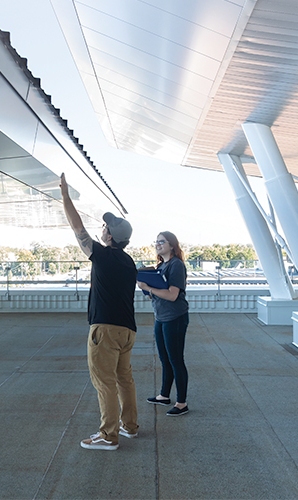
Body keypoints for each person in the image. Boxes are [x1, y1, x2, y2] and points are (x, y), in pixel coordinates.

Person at [60, 173, 139, 451]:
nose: (102, 227)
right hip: (127, 330)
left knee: (104, 382)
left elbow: (77, 228)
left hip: (104, 330)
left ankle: (108, 436)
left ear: (109, 235)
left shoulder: (102, 255)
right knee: (123, 379)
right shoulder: (129, 263)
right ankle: (129, 426)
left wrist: (66, 197)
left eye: (106, 226)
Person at [137, 232, 190, 416]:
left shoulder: (176, 265)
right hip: (161, 316)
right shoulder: (162, 265)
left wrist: (148, 288)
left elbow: (173, 295)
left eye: (162, 241)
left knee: (176, 360)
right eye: (156, 242)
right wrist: (147, 289)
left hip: (174, 317)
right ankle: (164, 395)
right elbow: (159, 293)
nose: (157, 244)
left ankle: (182, 403)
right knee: (164, 359)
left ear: (172, 245)